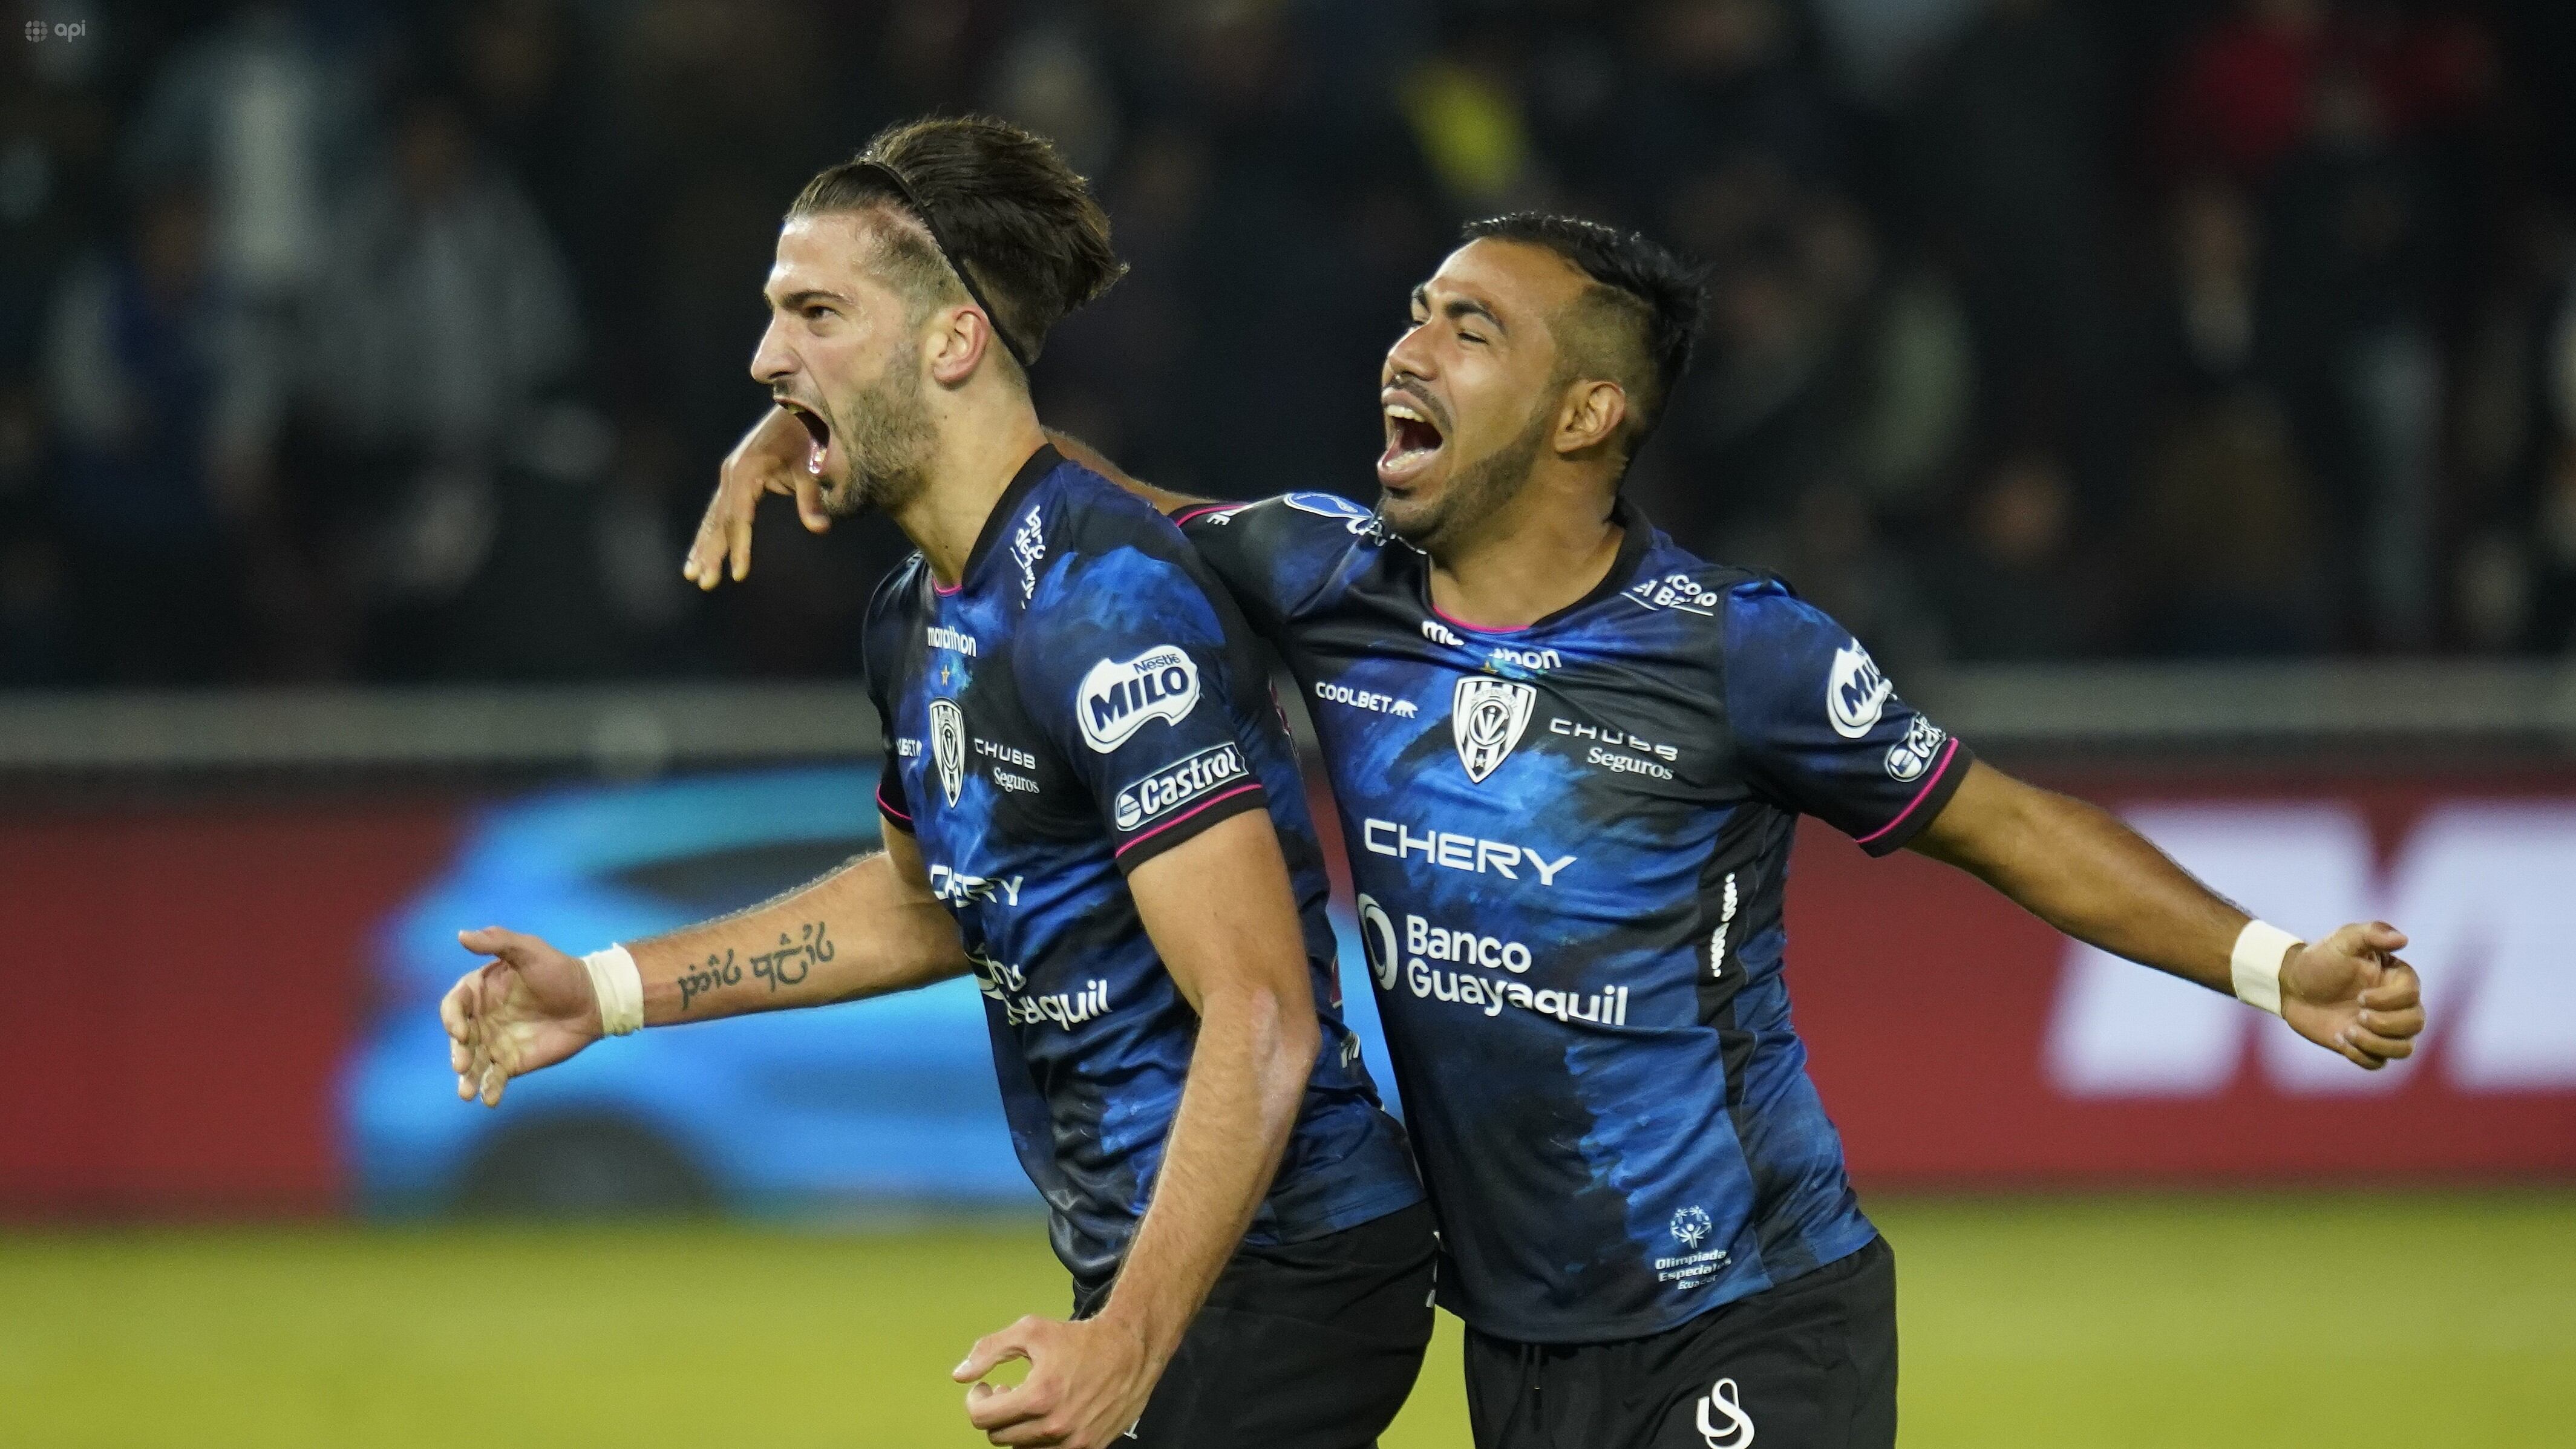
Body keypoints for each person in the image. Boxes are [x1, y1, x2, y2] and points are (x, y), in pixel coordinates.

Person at [688, 211, 2427, 1447]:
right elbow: (1055, 503)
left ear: (1587, 412)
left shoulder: (1735, 652)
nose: (1408, 346)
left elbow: (2003, 825)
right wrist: (842, 418)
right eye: (1417, 310)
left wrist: (2271, 964)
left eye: (1470, 328)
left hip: (1749, 1311)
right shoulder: (1327, 578)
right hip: (1516, 1344)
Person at [443, 117, 1431, 1449]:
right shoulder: (916, 617)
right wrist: (607, 989)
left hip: (1288, 1264)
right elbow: (923, 906)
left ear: (954, 342)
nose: (764, 360)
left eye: (815, 314)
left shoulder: (1106, 608)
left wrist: (1125, 1348)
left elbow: (1258, 1013)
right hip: (1162, 1263)